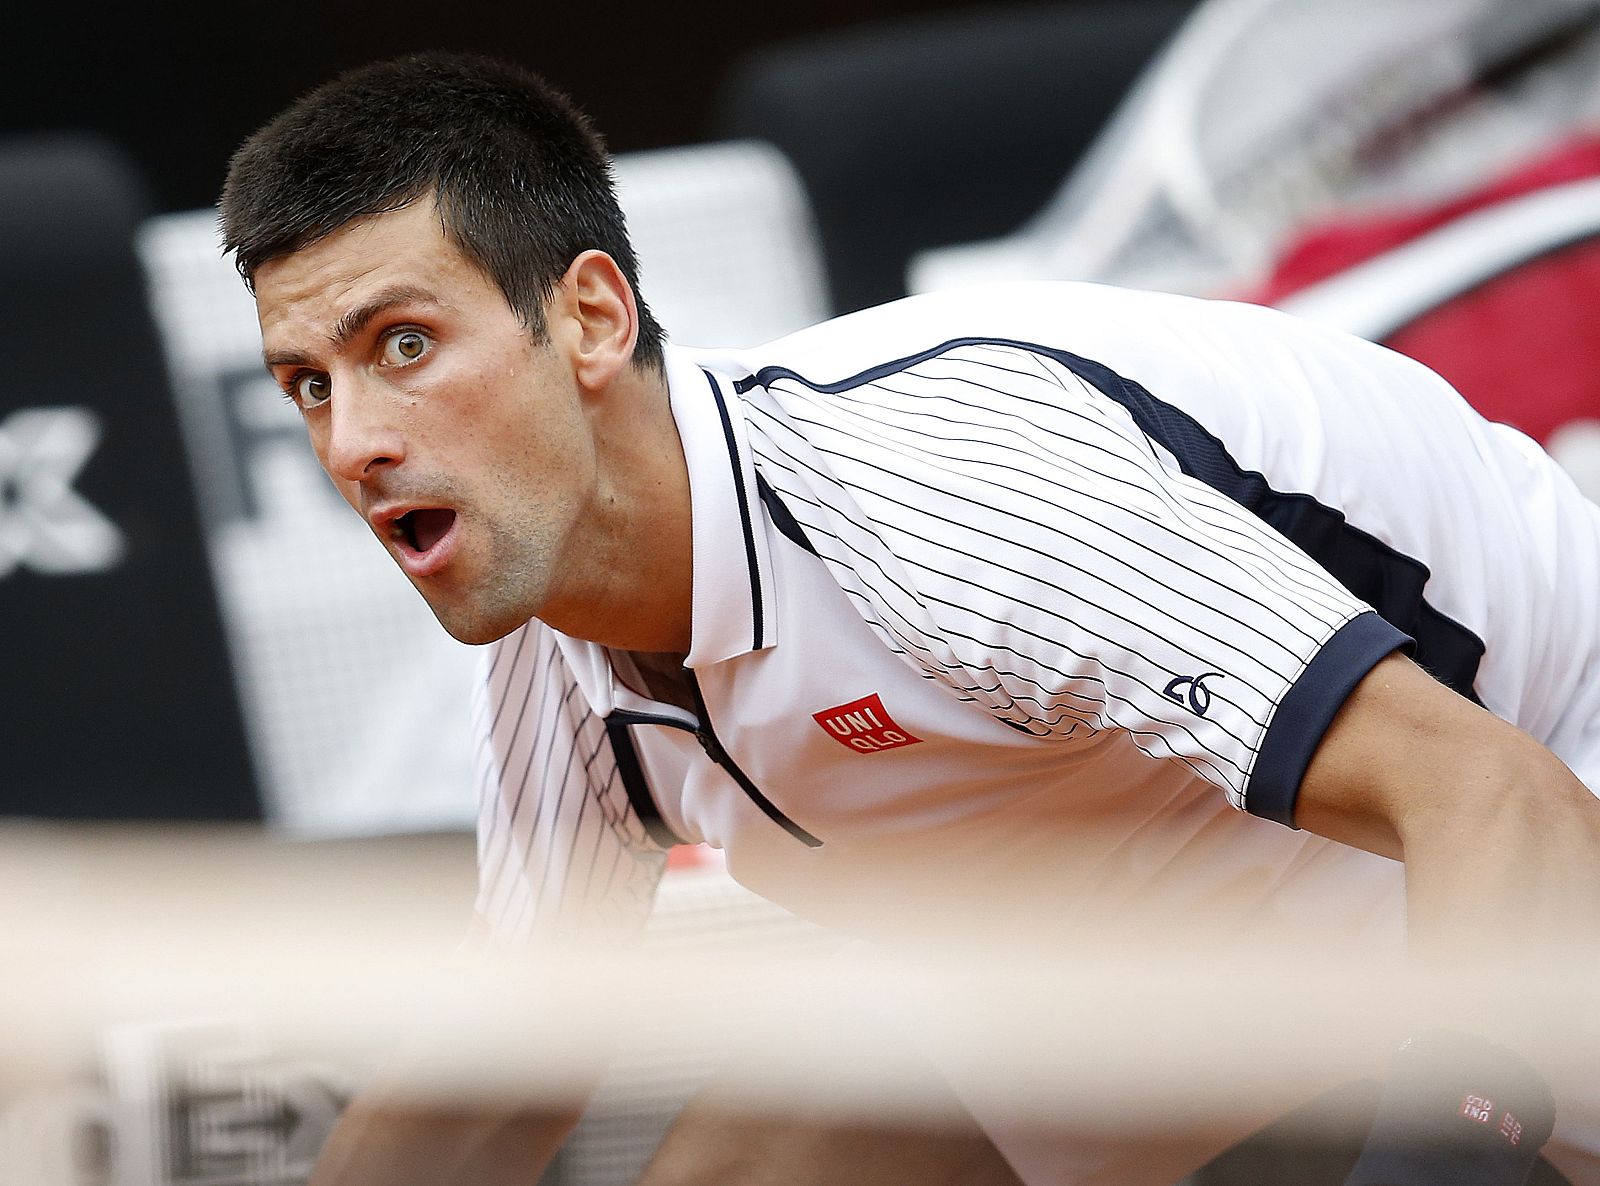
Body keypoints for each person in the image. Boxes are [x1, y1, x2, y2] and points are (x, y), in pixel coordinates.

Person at [219, 51, 1600, 1186]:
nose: (355, 442)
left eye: (403, 345)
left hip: (1533, 783)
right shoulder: (551, 638)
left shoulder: (932, 494)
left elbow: (1496, 796)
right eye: (308, 386)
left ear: (588, 317)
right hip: (1159, 892)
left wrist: (1460, 1131)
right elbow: (497, 1075)